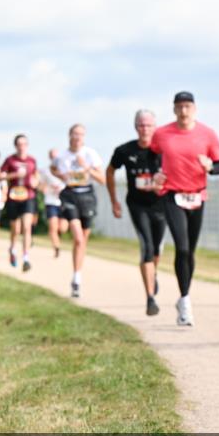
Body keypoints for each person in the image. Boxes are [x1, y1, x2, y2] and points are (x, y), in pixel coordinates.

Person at [149, 92, 219, 326]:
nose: (184, 111)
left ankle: (184, 294)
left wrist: (210, 166)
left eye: (188, 106)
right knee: (181, 248)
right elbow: (151, 157)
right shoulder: (162, 134)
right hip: (172, 195)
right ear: (174, 109)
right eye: (180, 107)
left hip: (197, 197)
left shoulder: (207, 134)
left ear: (194, 109)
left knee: (190, 251)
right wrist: (156, 174)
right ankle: (185, 301)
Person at [107, 109, 166, 316]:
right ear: (135, 127)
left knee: (157, 249)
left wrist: (163, 187)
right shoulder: (124, 151)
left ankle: (153, 273)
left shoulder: (164, 150)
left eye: (149, 125)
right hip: (137, 205)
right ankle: (150, 298)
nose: (145, 129)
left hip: (161, 205)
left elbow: (177, 172)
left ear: (155, 127)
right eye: (141, 125)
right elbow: (110, 170)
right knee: (147, 247)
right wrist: (114, 200)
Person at [52, 124, 105, 298]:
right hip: (69, 195)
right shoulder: (62, 156)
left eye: (81, 134)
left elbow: (102, 179)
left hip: (87, 196)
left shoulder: (90, 154)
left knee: (83, 242)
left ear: (84, 137)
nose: (77, 137)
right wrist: (61, 176)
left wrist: (87, 168)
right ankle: (76, 279)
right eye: (75, 134)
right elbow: (53, 167)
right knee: (78, 238)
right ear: (69, 135)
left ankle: (76, 276)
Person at [1, 134, 39, 272]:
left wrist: (36, 181)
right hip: (13, 197)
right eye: (19, 144)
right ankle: (12, 248)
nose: (22, 147)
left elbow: (36, 176)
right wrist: (14, 175)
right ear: (15, 146)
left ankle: (26, 258)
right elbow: (0, 176)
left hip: (28, 196)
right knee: (15, 230)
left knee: (27, 227)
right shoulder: (10, 160)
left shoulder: (32, 160)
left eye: (24, 144)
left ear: (27, 146)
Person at [41, 148, 67, 257]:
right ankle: (56, 248)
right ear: (49, 157)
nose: (54, 158)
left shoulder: (65, 168)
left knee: (63, 228)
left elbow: (71, 182)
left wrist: (61, 189)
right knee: (53, 227)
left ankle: (57, 236)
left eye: (56, 156)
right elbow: (41, 185)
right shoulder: (45, 171)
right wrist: (48, 188)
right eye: (52, 156)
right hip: (51, 201)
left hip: (64, 201)